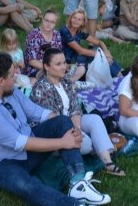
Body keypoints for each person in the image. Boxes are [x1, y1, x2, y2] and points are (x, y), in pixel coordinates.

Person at [0, 53, 111, 206]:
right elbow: (20, 143)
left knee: (61, 121)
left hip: (28, 145)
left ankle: (78, 182)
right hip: (2, 163)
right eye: (13, 75)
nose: (17, 76)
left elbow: (37, 112)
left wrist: (69, 130)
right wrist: (63, 142)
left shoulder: (10, 91)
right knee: (27, 186)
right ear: (0, 81)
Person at [30, 47, 126, 177]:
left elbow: (75, 108)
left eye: (64, 62)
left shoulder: (65, 81)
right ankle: (101, 147)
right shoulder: (41, 88)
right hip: (53, 132)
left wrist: (78, 128)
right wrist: (76, 132)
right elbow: (55, 120)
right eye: (58, 64)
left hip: (69, 121)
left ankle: (108, 163)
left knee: (95, 119)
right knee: (86, 144)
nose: (64, 66)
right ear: (46, 66)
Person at [59, 9, 123, 83]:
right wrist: (102, 54)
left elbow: (99, 42)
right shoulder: (64, 31)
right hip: (69, 61)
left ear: (83, 23)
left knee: (104, 57)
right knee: (100, 58)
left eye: (79, 19)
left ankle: (121, 72)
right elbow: (81, 51)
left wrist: (106, 51)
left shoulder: (79, 31)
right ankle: (120, 76)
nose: (76, 21)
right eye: (74, 18)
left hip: (78, 57)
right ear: (70, 19)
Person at [24, 9, 64, 79]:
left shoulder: (56, 34)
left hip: (52, 67)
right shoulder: (33, 36)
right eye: (46, 20)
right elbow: (32, 61)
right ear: (42, 19)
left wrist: (61, 66)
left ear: (55, 23)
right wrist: (51, 70)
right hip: (35, 69)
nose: (49, 24)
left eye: (52, 22)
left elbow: (58, 54)